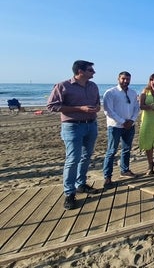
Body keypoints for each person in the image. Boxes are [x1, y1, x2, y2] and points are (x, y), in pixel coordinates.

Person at [47, 60, 101, 210]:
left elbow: (97, 104)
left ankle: (81, 184)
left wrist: (96, 108)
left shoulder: (93, 86)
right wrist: (80, 109)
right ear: (80, 71)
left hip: (91, 125)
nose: (94, 72)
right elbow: (51, 106)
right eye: (90, 70)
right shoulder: (63, 86)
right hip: (72, 127)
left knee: (86, 156)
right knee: (72, 159)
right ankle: (69, 193)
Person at [102, 71, 141, 188]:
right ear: (118, 79)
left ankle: (125, 170)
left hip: (129, 125)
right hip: (115, 126)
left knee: (126, 149)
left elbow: (136, 108)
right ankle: (107, 177)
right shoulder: (111, 93)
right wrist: (123, 121)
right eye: (123, 79)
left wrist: (132, 120)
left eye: (128, 79)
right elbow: (108, 111)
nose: (125, 81)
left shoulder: (133, 93)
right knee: (111, 151)